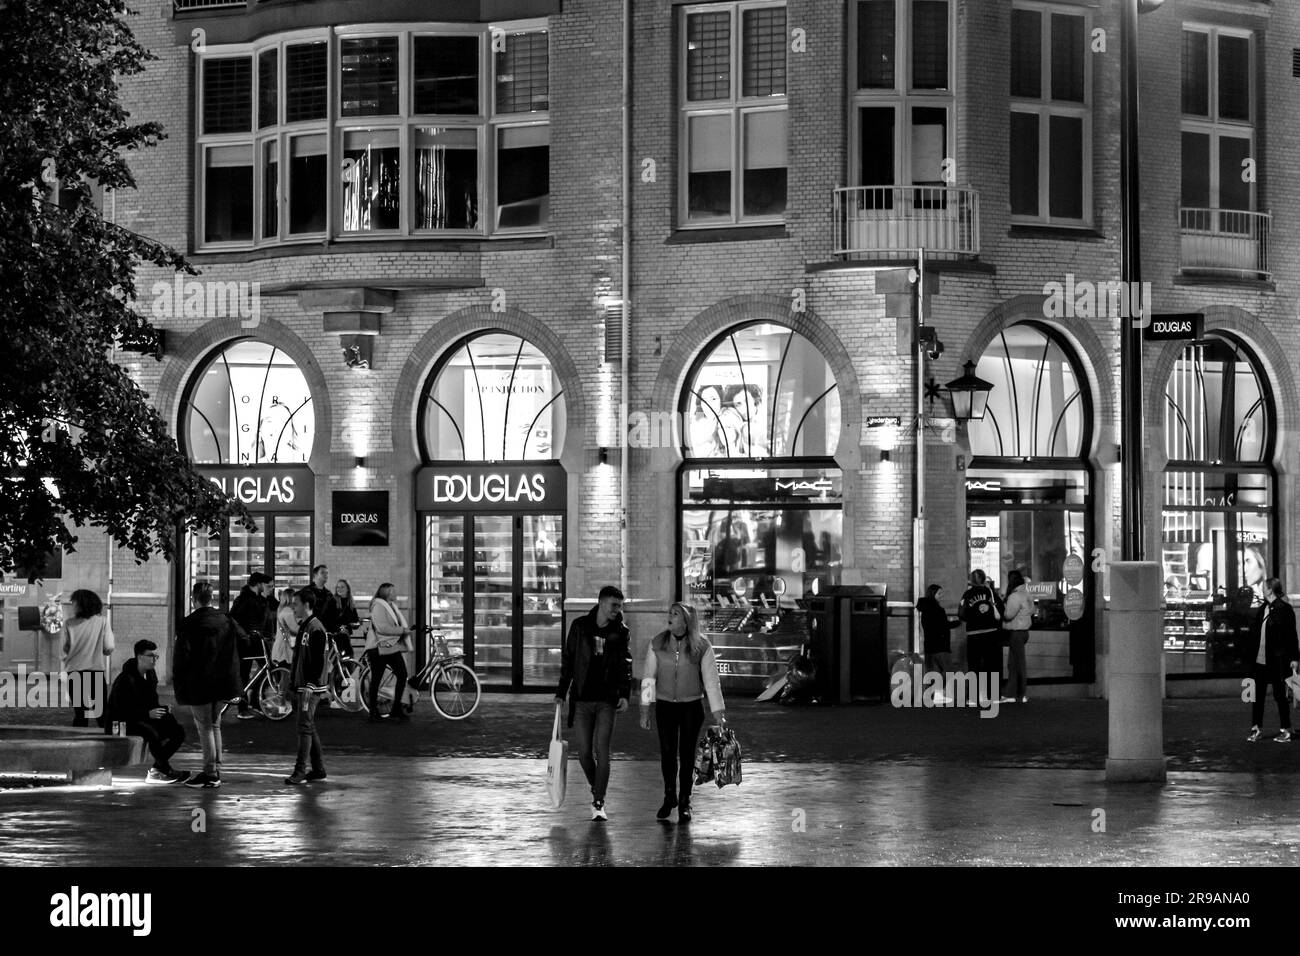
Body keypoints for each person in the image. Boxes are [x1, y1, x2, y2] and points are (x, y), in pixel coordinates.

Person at [639, 602, 725, 824]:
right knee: (668, 753)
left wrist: (718, 712)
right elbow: (649, 677)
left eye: (675, 614)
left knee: (686, 755)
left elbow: (711, 681)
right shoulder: (657, 643)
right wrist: (645, 709)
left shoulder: (701, 646)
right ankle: (669, 797)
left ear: (686, 621)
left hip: (691, 707)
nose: (670, 615)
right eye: (670, 612)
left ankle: (685, 800)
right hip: (666, 705)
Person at [554, 585, 632, 821]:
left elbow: (625, 664)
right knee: (584, 753)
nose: (617, 611)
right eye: (613, 606)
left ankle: (599, 801)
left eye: (620, 606)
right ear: (601, 603)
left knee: (602, 749)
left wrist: (625, 694)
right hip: (582, 699)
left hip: (607, 699)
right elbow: (568, 660)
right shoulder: (579, 626)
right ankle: (597, 787)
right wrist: (561, 692)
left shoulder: (621, 631)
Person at [174, 581, 244, 789]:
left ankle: (210, 773)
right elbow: (242, 640)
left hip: (199, 682)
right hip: (222, 681)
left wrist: (181, 684)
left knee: (204, 727)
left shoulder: (188, 624)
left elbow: (182, 659)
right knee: (214, 725)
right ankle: (215, 768)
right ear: (211, 598)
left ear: (194, 599)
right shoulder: (225, 620)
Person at [107, 640, 187, 784]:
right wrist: (147, 714)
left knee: (178, 731)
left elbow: (150, 702)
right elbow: (120, 710)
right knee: (151, 733)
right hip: (120, 723)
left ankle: (157, 770)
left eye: (155, 656)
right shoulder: (126, 679)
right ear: (139, 657)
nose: (154, 660)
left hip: (141, 717)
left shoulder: (150, 675)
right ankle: (165, 770)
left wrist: (162, 709)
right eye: (151, 656)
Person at [1244, 577, 1299, 743]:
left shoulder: (1285, 609)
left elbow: (1291, 636)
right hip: (1260, 661)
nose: (1262, 589)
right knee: (1256, 696)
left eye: (1264, 587)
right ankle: (1256, 728)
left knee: (1280, 696)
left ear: (1270, 589)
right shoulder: (1263, 608)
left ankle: (1286, 729)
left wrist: (1294, 658)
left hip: (1276, 660)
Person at [285, 588, 330, 785]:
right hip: (305, 685)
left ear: (307, 605)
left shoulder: (315, 628)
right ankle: (318, 768)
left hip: (309, 687)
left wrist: (309, 684)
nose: (293, 608)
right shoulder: (308, 626)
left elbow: (318, 660)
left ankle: (300, 770)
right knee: (308, 726)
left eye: (296, 604)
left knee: (304, 726)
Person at [60, 589, 115, 727]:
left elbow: (62, 650)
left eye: (74, 602)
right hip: (95, 671)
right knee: (101, 713)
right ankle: (109, 743)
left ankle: (78, 745)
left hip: (75, 672)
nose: (72, 605)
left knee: (80, 714)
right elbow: (109, 647)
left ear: (81, 604)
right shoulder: (102, 622)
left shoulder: (69, 624)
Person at [364, 583, 413, 723]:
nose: (395, 593)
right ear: (386, 592)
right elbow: (382, 627)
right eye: (392, 591)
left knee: (402, 674)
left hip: (389, 646)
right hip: (378, 647)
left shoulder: (389, 605)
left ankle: (395, 709)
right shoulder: (379, 606)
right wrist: (402, 631)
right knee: (377, 680)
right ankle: (373, 712)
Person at [229, 571, 276, 719]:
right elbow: (233, 619)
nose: (268, 588)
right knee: (245, 673)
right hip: (246, 642)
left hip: (255, 640)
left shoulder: (258, 598)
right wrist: (246, 634)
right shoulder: (244, 599)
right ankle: (243, 708)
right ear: (259, 584)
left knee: (266, 667)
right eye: (265, 585)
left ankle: (254, 701)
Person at [958, 570, 1003, 706]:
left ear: (971, 580)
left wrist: (973, 618)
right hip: (991, 633)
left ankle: (973, 697)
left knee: (974, 665)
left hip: (974, 634)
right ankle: (993, 695)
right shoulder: (991, 593)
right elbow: (1002, 609)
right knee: (992, 664)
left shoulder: (967, 594)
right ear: (984, 579)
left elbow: (961, 614)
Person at [916, 584, 958, 702]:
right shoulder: (938, 610)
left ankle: (938, 694)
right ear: (933, 594)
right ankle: (941, 693)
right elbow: (943, 626)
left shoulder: (925, 609)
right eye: (939, 593)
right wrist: (956, 623)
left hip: (929, 644)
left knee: (935, 671)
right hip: (940, 644)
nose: (941, 596)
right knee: (949, 669)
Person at [1001, 570, 1034, 704]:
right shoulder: (1026, 593)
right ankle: (1011, 693)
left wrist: (1002, 607)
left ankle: (1020, 694)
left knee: (1018, 664)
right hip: (1024, 631)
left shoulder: (1014, 596)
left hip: (1016, 632)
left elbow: (1008, 615)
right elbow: (1032, 610)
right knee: (1013, 664)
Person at [332, 578, 360, 662]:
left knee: (348, 658)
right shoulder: (333, 601)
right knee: (345, 658)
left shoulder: (350, 602)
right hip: (336, 634)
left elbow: (355, 619)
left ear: (348, 589)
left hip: (346, 635)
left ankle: (342, 673)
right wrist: (339, 627)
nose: (339, 589)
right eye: (338, 587)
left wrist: (356, 624)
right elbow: (330, 619)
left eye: (342, 587)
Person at [273, 588, 298, 666]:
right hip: (285, 649)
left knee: (283, 674)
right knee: (286, 675)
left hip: (281, 647)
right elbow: (296, 629)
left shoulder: (281, 609)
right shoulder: (288, 612)